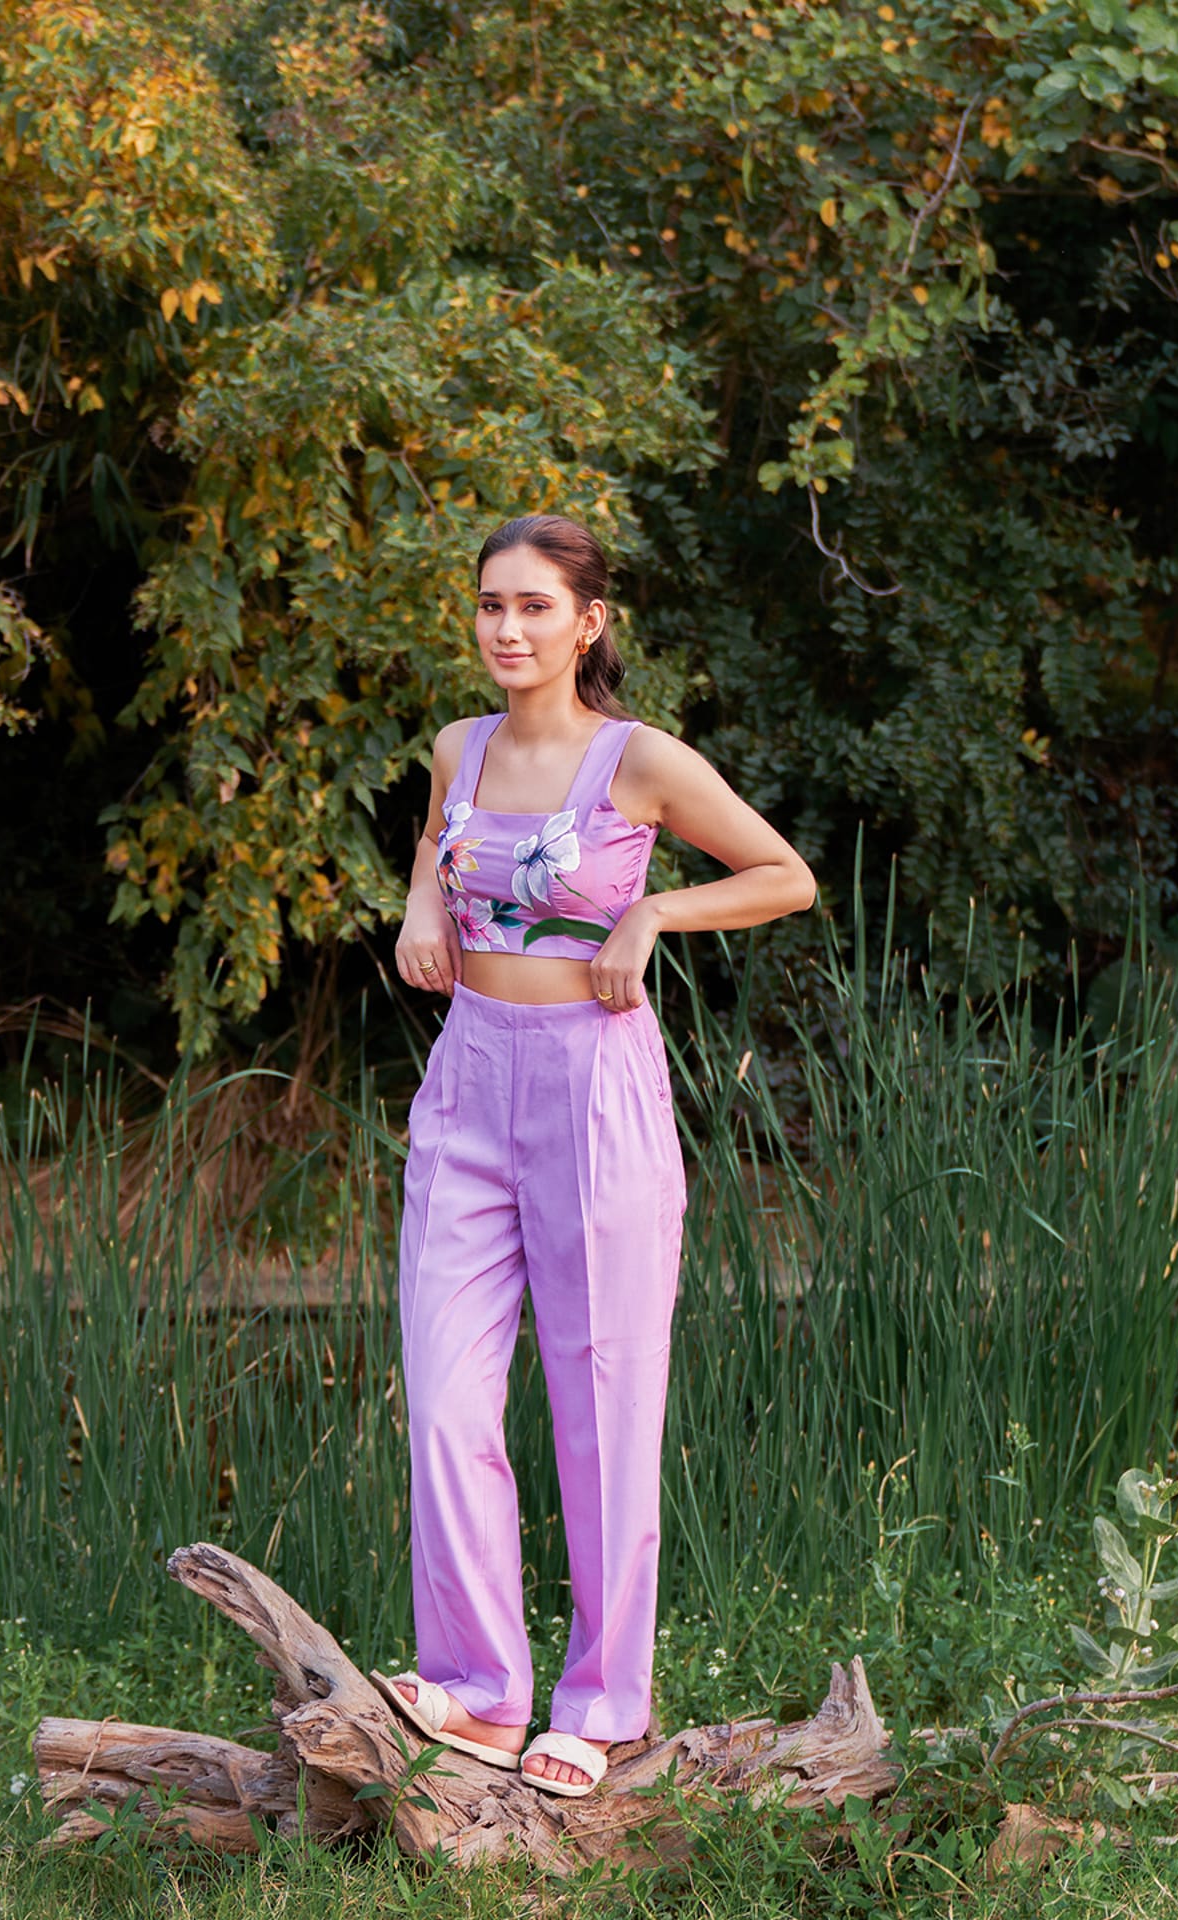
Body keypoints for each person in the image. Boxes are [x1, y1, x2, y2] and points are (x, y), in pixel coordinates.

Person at [371, 513, 816, 1798]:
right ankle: (474, 1686)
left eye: (533, 607)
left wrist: (657, 909)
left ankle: (603, 1703)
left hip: (594, 1085)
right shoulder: (458, 745)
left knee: (603, 1400)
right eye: (489, 606)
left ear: (587, 621)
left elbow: (783, 874)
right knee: (447, 1390)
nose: (507, 629)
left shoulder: (639, 761)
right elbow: (438, 839)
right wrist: (417, 903)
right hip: (467, 1078)